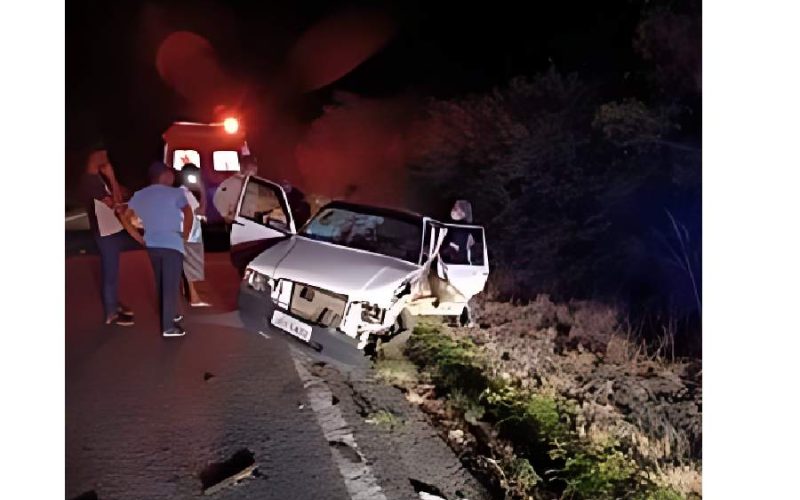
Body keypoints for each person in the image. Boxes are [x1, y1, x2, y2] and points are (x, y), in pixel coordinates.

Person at [119, 162, 193, 337]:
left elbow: (124, 217)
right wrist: (186, 235)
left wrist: (139, 238)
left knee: (161, 281)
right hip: (172, 243)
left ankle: (169, 314)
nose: (173, 177)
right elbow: (189, 213)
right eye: (170, 174)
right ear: (163, 176)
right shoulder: (176, 192)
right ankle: (168, 327)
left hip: (152, 244)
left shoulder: (140, 195)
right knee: (171, 284)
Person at [78, 144, 141, 326]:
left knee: (112, 271)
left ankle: (112, 302)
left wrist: (112, 181)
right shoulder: (90, 182)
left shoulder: (96, 179)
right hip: (105, 232)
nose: (106, 160)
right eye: (103, 156)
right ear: (95, 157)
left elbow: (121, 194)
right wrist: (112, 176)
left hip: (111, 229)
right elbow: (116, 202)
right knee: (110, 271)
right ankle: (111, 313)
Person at [178, 164, 211, 307]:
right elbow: (202, 211)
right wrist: (203, 189)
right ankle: (194, 297)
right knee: (190, 266)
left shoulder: (180, 192)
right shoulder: (186, 194)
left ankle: (190, 293)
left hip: (184, 233)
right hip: (190, 235)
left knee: (186, 265)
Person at [212, 156, 259, 224]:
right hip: (234, 225)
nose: (253, 169)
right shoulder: (228, 184)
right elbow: (218, 201)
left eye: (254, 167)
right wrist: (227, 216)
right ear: (242, 167)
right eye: (250, 166)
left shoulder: (253, 185)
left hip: (249, 224)